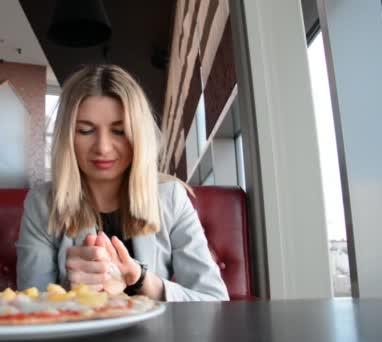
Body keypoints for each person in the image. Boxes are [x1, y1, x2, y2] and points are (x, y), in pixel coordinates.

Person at [16, 64, 229, 301]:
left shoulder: (171, 198)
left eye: (119, 131)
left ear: (138, 135)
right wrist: (72, 289)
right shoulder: (42, 204)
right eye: (86, 131)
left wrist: (140, 279)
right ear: (67, 137)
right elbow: (31, 304)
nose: (103, 148)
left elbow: (214, 300)